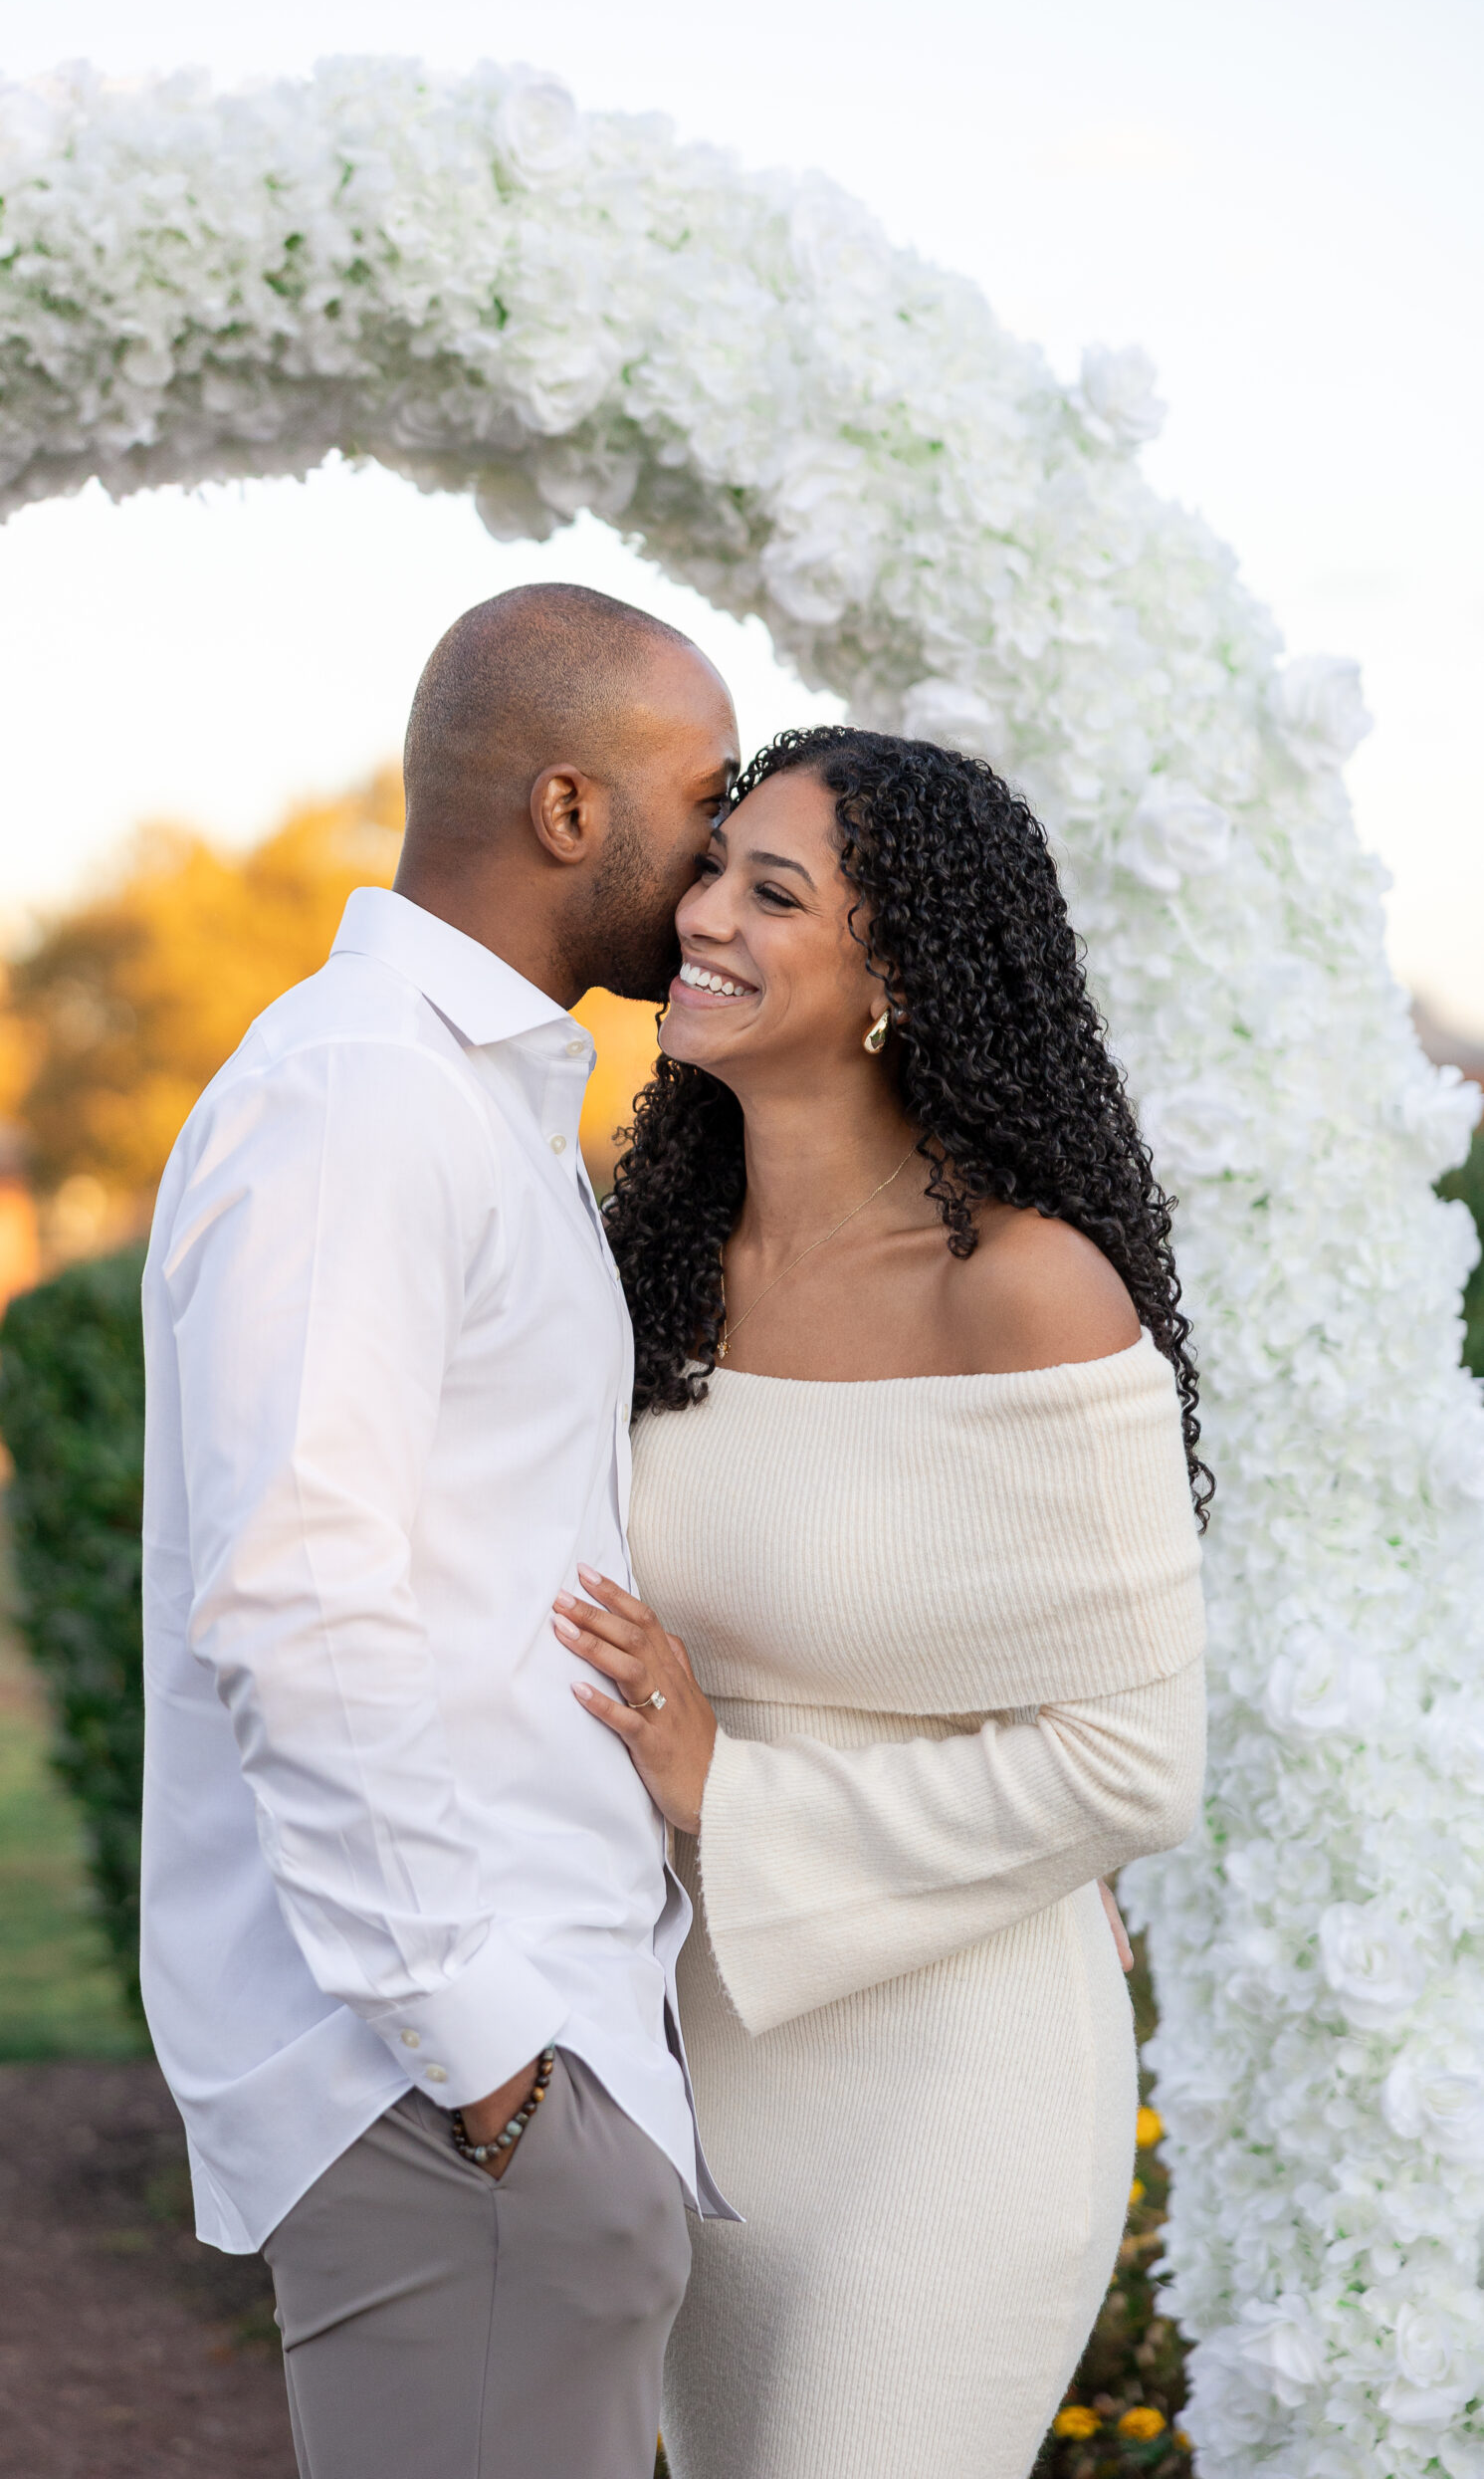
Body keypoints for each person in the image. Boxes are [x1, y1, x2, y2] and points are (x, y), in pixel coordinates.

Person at [553, 726, 1210, 2479]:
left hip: (953, 2081)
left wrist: (728, 1787)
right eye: (713, 870)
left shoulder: (1027, 1289)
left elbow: (1138, 1768)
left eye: (776, 890)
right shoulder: (650, 1264)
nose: (704, 914)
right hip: (695, 2052)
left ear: (894, 979)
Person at [138, 582, 740, 2479]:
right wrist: (489, 2068)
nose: (729, 852)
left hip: (524, 2076)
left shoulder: (475, 1101)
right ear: (570, 810)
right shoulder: (363, 1096)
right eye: (704, 794)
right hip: (447, 2091)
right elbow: (296, 1602)